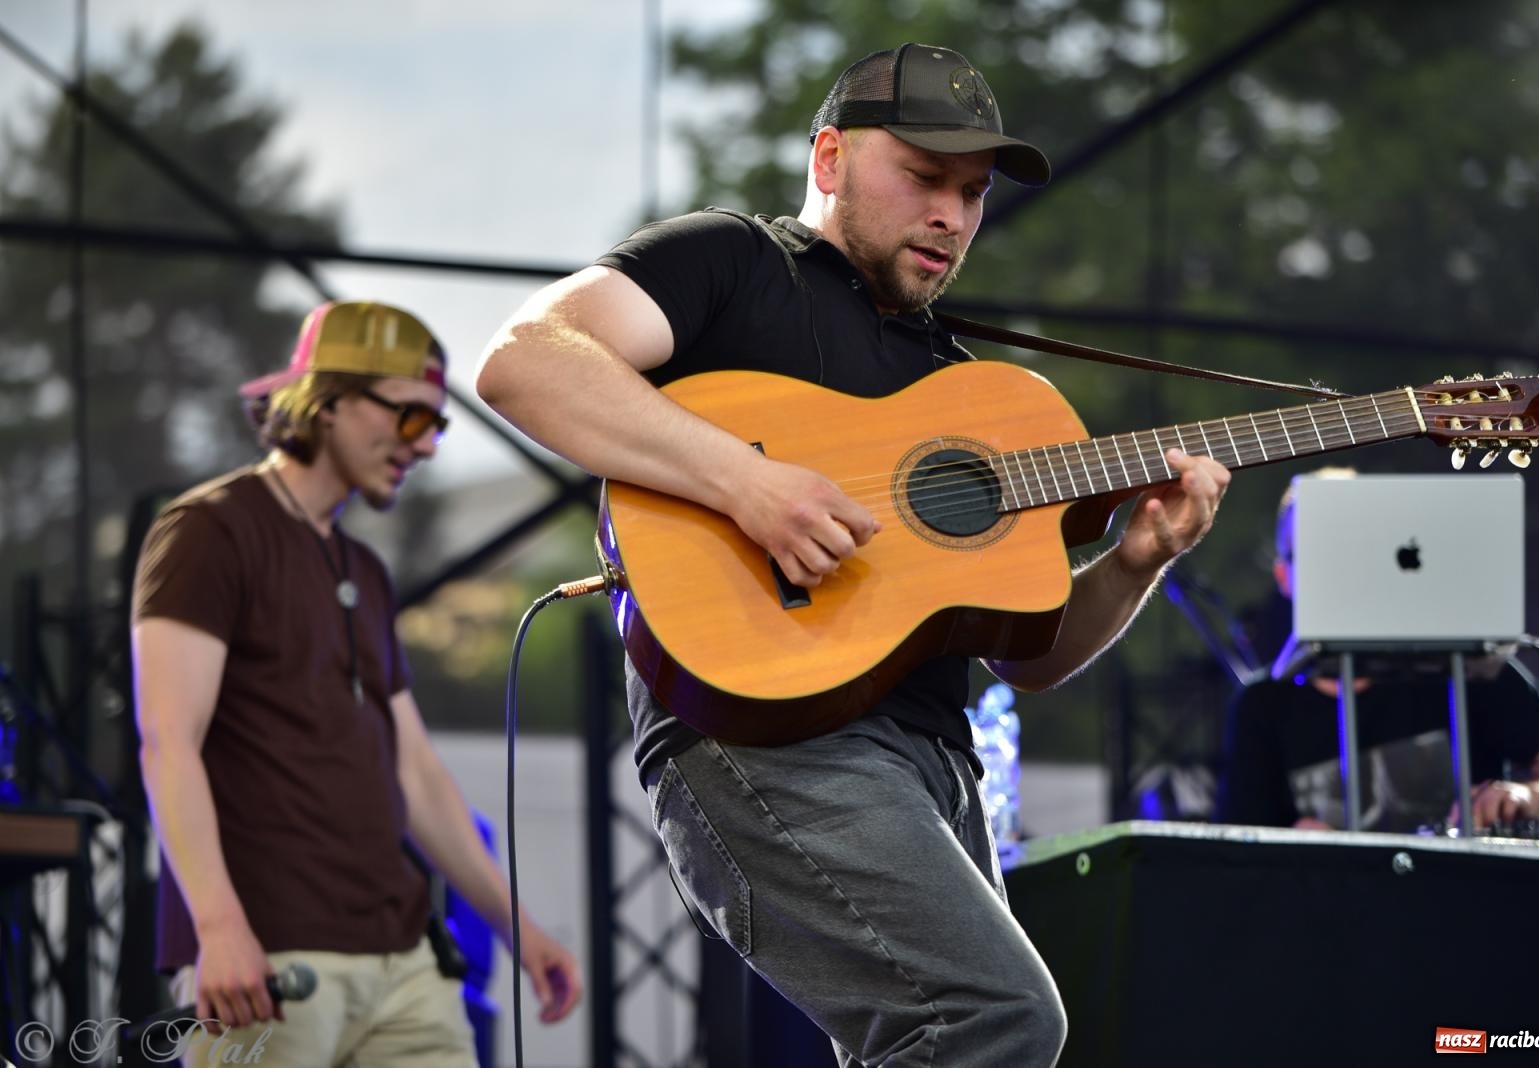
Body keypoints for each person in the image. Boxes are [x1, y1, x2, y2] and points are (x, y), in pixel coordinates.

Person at [475, 43, 1229, 1067]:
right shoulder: (733, 263)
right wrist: (746, 483)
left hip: (930, 768)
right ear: (828, 157)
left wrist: (1138, 559)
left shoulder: (963, 388)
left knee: (940, 1036)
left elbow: (1028, 659)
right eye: (922, 177)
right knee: (995, 1018)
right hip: (758, 736)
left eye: (970, 194)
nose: (952, 216)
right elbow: (523, 359)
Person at [131, 300, 582, 1067]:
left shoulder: (364, 570)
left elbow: (418, 777)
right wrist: (216, 928)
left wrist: (518, 927)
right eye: (410, 417)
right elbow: (168, 743)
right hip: (271, 960)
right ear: (330, 400)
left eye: (435, 426)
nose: (426, 445)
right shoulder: (208, 530)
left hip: (404, 962)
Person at [1214, 466, 1539, 833]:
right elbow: (1240, 863)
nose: (1341, 569)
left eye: (1356, 547)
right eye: (1319, 551)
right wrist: (1301, 849)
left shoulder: (1466, 667)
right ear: (1284, 576)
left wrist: (1527, 796)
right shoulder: (1262, 708)